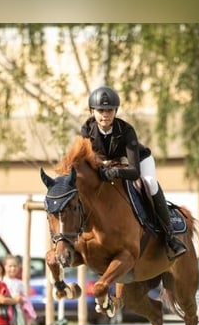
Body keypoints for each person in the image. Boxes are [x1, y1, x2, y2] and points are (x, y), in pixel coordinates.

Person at [80, 85, 187, 260]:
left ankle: (170, 237)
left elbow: (134, 171)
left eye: (110, 110)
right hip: (107, 165)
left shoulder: (126, 130)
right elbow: (87, 159)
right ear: (92, 111)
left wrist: (114, 171)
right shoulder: (86, 130)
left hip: (137, 162)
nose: (105, 114)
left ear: (115, 111)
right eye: (101, 110)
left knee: (151, 184)